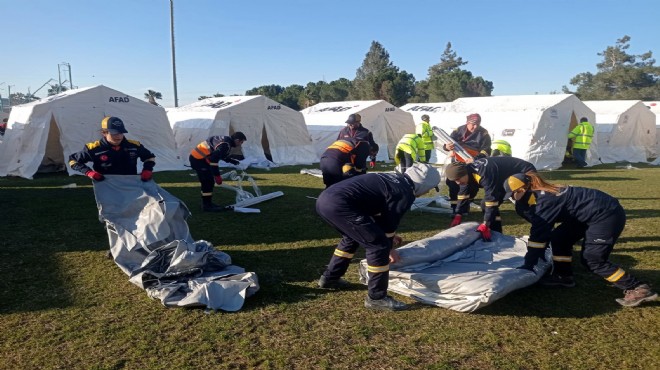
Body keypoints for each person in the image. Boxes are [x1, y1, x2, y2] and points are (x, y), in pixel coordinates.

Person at [503, 172, 657, 307]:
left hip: (606, 214)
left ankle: (639, 288)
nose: (510, 198)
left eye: (512, 195)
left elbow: (539, 236)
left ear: (522, 190)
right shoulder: (535, 194)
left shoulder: (545, 200)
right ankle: (562, 276)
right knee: (559, 238)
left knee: (593, 260)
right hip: (586, 214)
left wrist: (528, 264)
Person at [316, 163, 441, 311]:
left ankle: (330, 278)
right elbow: (389, 225)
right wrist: (389, 247)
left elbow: (376, 209)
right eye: (429, 188)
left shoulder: (394, 178)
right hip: (341, 205)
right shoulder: (404, 192)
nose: (427, 192)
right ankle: (376, 298)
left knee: (351, 239)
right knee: (379, 246)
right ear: (423, 184)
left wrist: (387, 235)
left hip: (326, 200)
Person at [444, 156, 536, 239]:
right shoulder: (466, 173)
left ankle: (543, 228)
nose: (457, 183)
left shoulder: (484, 173)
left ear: (464, 174)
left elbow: (491, 198)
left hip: (525, 172)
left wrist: (485, 223)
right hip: (503, 179)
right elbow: (463, 194)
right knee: (484, 204)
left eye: (458, 179)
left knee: (523, 208)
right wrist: (458, 214)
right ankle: (497, 234)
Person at [69, 116, 156, 182]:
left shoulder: (134, 146)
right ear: (104, 133)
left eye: (121, 133)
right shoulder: (94, 148)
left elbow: (149, 157)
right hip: (105, 184)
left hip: (130, 183)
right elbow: (73, 161)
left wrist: (147, 169)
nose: (118, 136)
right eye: (114, 133)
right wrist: (89, 172)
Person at [442, 113, 492, 212]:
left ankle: (466, 204)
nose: (475, 126)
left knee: (471, 185)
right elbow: (447, 143)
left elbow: (486, 150)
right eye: (473, 124)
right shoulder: (458, 130)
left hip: (473, 163)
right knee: (452, 182)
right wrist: (446, 147)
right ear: (467, 122)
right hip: (457, 162)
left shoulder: (484, 134)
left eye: (478, 124)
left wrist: (475, 158)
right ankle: (454, 207)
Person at [189, 132, 247, 212]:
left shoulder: (226, 141)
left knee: (208, 182)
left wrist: (231, 160)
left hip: (199, 158)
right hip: (198, 160)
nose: (241, 144)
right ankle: (207, 205)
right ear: (237, 140)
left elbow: (220, 154)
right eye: (241, 142)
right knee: (208, 181)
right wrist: (217, 176)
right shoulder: (226, 144)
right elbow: (213, 159)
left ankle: (207, 203)